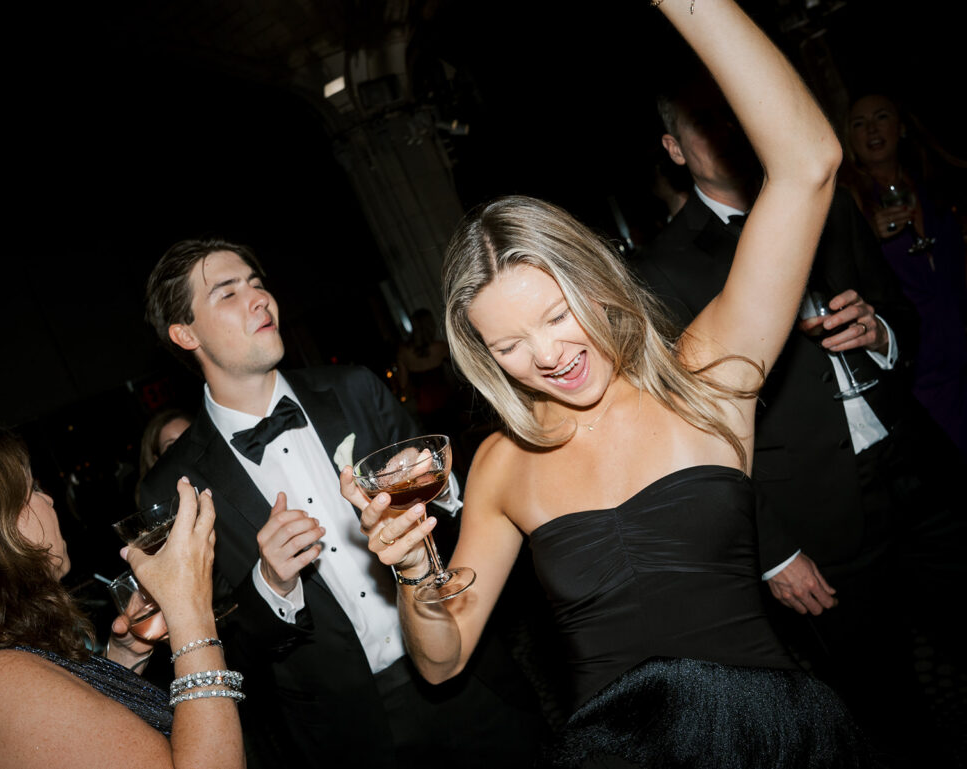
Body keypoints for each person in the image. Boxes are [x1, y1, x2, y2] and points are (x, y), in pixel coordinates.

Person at [341, 0, 884, 765]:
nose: (548, 355)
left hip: (771, 741)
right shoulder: (503, 463)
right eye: (509, 345)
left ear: (596, 285)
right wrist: (412, 567)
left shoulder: (706, 377)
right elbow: (443, 658)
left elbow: (807, 164)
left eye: (557, 314)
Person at [633, 64, 966, 765]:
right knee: (887, 701)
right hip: (816, 513)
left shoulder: (827, 202)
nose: (726, 130)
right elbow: (692, 425)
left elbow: (899, 312)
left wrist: (881, 333)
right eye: (703, 122)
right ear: (673, 148)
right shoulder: (660, 269)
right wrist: (772, 549)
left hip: (917, 467)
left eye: (733, 111)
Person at [138, 239, 546, 769]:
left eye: (257, 283)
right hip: (346, 732)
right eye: (228, 292)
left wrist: (434, 484)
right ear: (185, 333)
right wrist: (270, 586)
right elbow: (213, 653)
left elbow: (469, 516)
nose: (259, 298)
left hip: (467, 672)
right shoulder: (172, 487)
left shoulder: (355, 389)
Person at [0, 426, 244, 769]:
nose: (49, 499)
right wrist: (190, 611)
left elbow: (76, 742)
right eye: (33, 489)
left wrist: (121, 660)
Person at [841, 91, 967, 457]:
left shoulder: (935, 186)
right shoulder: (851, 204)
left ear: (901, 128)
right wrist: (870, 237)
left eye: (881, 117)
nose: (871, 129)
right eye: (859, 123)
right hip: (921, 366)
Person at [136, 408, 193, 503]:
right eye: (171, 446)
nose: (183, 449)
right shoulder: (159, 502)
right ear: (156, 459)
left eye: (188, 439)